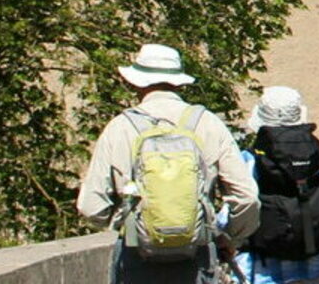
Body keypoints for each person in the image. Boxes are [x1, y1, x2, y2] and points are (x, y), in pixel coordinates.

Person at [77, 43, 259, 283]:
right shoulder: (208, 123)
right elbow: (247, 197)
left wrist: (129, 223)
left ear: (136, 82)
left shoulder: (120, 128)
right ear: (179, 82)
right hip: (198, 258)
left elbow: (90, 206)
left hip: (136, 260)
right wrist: (227, 237)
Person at [235, 87, 319, 284]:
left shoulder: (249, 161)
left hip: (263, 272)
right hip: (314, 271)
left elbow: (236, 213)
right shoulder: (314, 164)